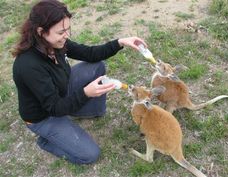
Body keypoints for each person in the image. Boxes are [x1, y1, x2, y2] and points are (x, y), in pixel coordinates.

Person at [12, 0, 147, 165]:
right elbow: (54, 108)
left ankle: (91, 111)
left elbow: (90, 54)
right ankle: (47, 141)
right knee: (90, 155)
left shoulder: (56, 42)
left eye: (68, 29)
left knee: (97, 66)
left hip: (61, 91)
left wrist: (120, 42)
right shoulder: (28, 65)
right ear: (41, 31)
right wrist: (85, 93)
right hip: (45, 116)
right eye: (61, 31)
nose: (66, 35)